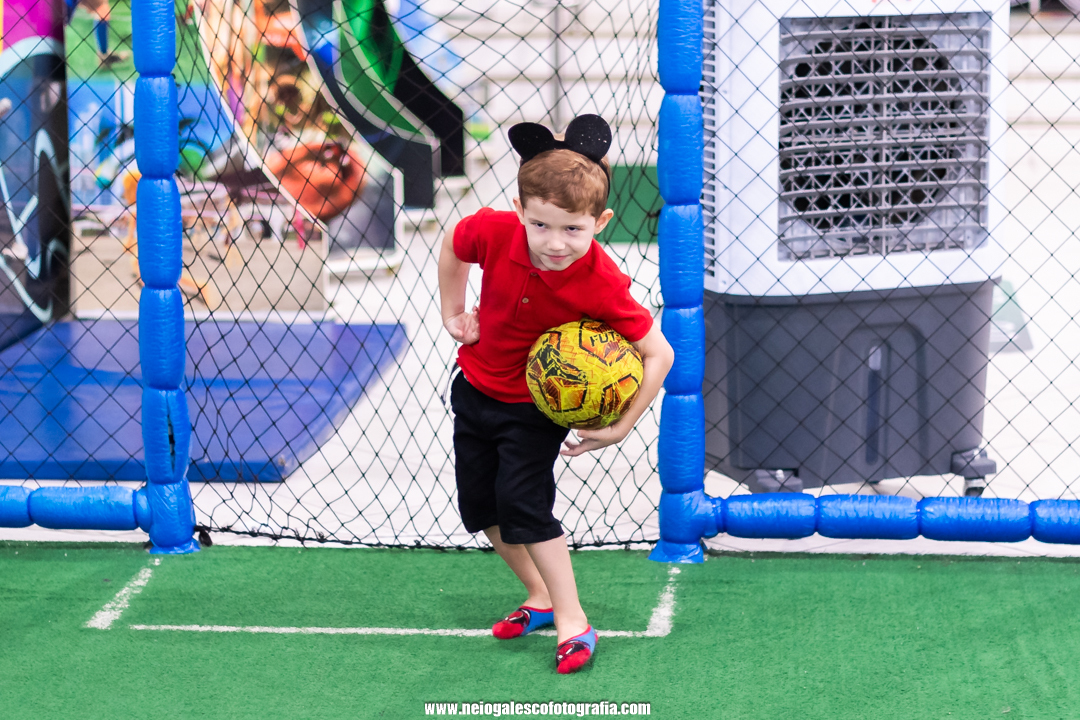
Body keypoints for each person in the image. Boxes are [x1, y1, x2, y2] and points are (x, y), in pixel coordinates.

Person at [438, 114, 674, 674]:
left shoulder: (600, 281)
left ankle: (574, 620)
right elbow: (453, 244)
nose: (554, 243)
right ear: (520, 210)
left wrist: (620, 427)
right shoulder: (495, 231)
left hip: (535, 408)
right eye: (541, 225)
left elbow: (659, 354)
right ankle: (539, 596)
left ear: (601, 222)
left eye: (573, 229)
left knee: (523, 505)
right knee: (481, 507)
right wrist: (453, 312)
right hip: (474, 389)